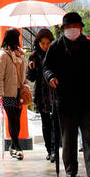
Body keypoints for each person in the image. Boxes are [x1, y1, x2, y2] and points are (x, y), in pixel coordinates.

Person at [43, 11, 90, 177]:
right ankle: (71, 168)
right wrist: (50, 77)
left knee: (89, 136)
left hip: (87, 99)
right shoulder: (55, 47)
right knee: (68, 137)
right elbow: (46, 67)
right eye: (68, 27)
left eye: (75, 26)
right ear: (63, 29)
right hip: (65, 99)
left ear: (80, 28)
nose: (72, 29)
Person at [25, 29, 59, 165]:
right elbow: (31, 78)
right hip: (42, 93)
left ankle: (55, 149)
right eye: (43, 43)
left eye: (48, 43)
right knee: (46, 123)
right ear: (38, 43)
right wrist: (31, 68)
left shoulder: (55, 54)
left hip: (55, 91)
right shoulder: (33, 56)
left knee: (55, 122)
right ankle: (50, 150)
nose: (45, 46)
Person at [0, 28, 28, 161]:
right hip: (8, 92)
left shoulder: (21, 55)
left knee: (17, 119)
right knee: (12, 118)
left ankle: (14, 146)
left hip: (20, 91)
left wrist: (26, 86)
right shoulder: (3, 55)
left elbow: (24, 74)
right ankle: (17, 146)